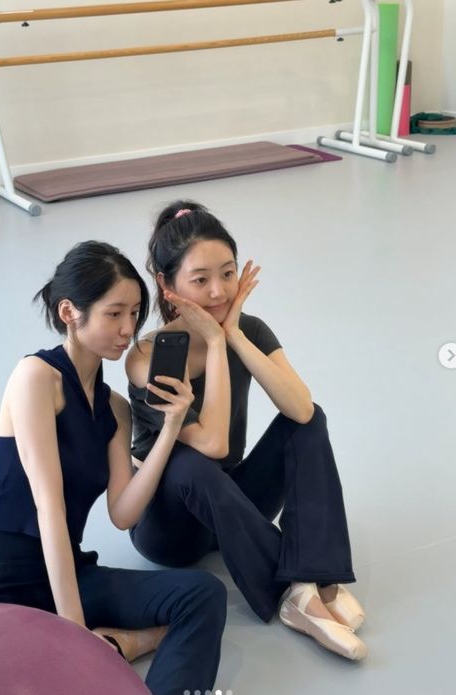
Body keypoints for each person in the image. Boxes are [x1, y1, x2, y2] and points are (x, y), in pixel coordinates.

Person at [0, 241, 227, 695]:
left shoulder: (115, 407)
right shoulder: (36, 377)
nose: (128, 330)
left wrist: (172, 426)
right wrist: (76, 638)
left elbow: (123, 513)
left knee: (202, 595)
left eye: (134, 314)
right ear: (69, 312)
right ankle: (114, 644)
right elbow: (49, 510)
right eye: (114, 314)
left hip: (65, 574)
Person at [126, 201, 367, 661]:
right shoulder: (148, 357)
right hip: (170, 529)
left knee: (309, 421)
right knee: (189, 464)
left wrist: (235, 335)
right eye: (200, 280)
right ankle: (291, 593)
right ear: (167, 285)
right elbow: (213, 446)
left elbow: (300, 409)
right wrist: (216, 342)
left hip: (229, 503)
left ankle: (317, 577)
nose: (218, 291)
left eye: (228, 273)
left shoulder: (249, 329)